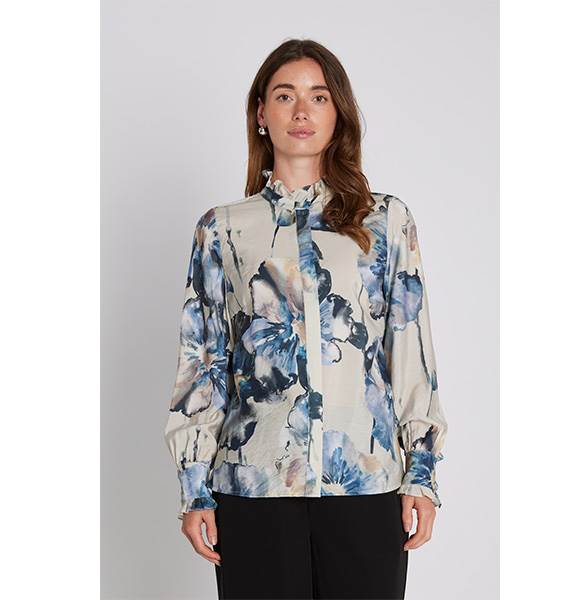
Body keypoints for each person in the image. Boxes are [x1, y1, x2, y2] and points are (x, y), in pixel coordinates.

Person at [164, 38, 448, 600]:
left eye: (318, 97)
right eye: (285, 95)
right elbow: (204, 363)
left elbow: (410, 353)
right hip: (253, 488)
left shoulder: (385, 221)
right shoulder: (221, 229)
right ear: (261, 113)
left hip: (365, 485)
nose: (301, 111)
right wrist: (195, 486)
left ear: (338, 113)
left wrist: (422, 472)